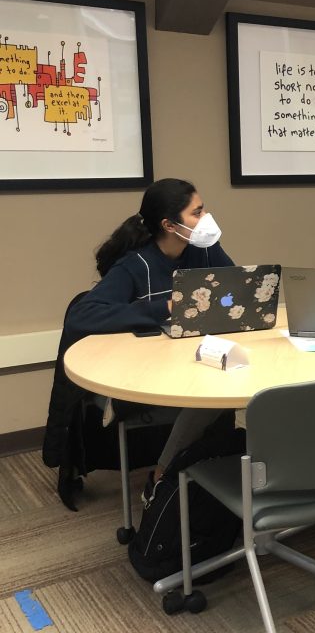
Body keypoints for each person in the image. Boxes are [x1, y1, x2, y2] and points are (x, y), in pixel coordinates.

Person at [65, 178, 233, 491]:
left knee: (231, 381)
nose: (206, 219)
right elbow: (82, 315)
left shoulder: (204, 250)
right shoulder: (135, 265)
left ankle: (222, 470)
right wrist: (164, 307)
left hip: (194, 356)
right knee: (212, 395)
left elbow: (233, 294)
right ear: (169, 225)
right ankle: (162, 476)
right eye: (197, 213)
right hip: (152, 366)